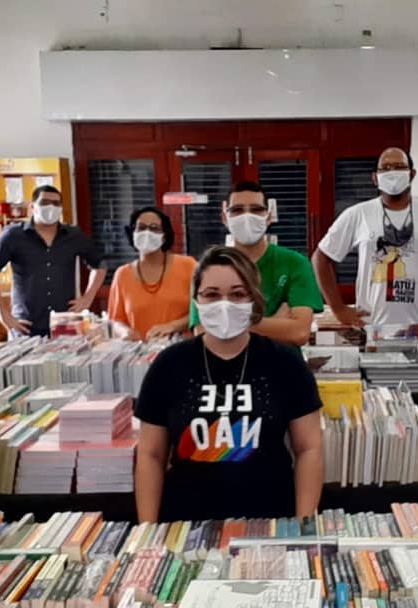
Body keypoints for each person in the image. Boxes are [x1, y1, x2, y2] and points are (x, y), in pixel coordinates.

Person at [136, 246, 323, 522]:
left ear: (254, 300)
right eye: (211, 295)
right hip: (185, 524)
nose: (224, 305)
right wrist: (147, 530)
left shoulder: (286, 363)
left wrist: (304, 525)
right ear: (196, 300)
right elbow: (151, 455)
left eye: (237, 294)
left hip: (269, 522)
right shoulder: (169, 365)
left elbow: (308, 449)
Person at [312, 147, 418, 416]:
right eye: (385, 168)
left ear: (412, 174)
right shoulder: (358, 214)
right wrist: (338, 308)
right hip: (375, 335)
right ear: (374, 177)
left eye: (399, 167)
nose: (392, 173)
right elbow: (321, 258)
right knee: (378, 418)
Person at [189, 181, 324, 347]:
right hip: (224, 362)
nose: (247, 217)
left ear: (269, 217)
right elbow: (202, 333)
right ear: (225, 218)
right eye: (237, 210)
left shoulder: (294, 263)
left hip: (281, 361)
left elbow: (298, 333)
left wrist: (225, 324)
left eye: (256, 209)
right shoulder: (210, 268)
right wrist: (277, 322)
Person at [0, 185, 106, 338]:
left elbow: (99, 265)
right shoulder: (13, 236)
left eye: (56, 203)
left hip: (64, 323)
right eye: (45, 202)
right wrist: (2, 313)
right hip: (25, 325)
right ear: (32, 207)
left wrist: (88, 298)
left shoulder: (73, 236)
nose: (51, 207)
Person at [108, 206, 196, 340]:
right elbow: (116, 320)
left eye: (154, 228)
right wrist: (125, 332)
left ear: (164, 236)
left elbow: (203, 310)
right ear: (133, 233)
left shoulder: (188, 266)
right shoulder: (122, 274)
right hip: (141, 350)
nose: (147, 233)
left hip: (182, 347)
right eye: (141, 227)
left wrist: (172, 326)